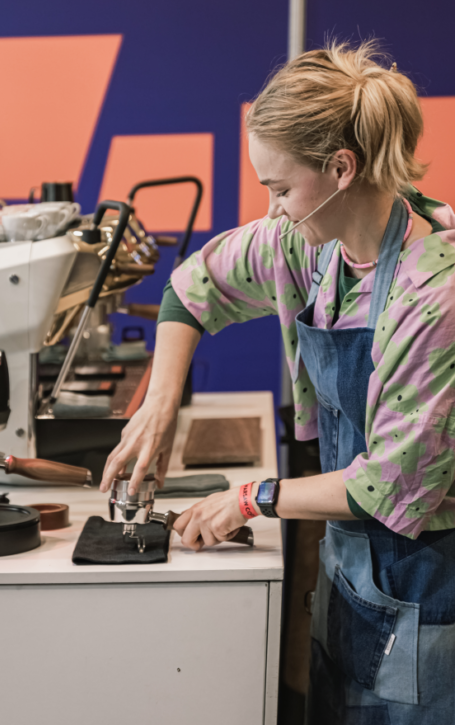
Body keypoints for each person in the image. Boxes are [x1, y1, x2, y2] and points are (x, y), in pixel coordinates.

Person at [100, 41, 455, 723]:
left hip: (425, 583)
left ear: (342, 169)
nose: (271, 209)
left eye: (280, 187)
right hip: (350, 572)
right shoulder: (309, 244)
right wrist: (158, 409)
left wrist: (251, 497)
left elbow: (390, 486)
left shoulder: (431, 292)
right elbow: (193, 286)